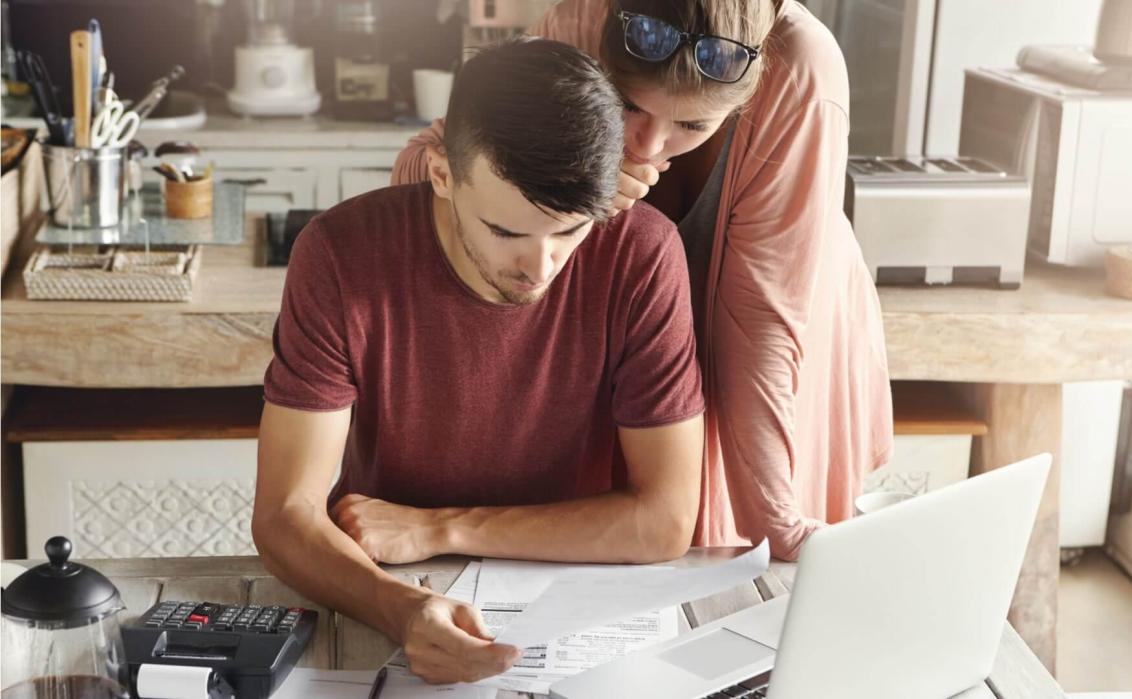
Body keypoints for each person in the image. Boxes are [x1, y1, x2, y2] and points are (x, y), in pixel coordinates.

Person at [253, 38, 705, 685]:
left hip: (579, 606)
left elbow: (664, 521)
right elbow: (284, 514)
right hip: (389, 584)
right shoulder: (339, 254)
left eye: (571, 230)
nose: (541, 267)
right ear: (441, 173)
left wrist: (441, 527)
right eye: (506, 231)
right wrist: (404, 610)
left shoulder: (644, 255)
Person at [393, 0, 894, 561]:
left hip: (780, 332)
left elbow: (761, 322)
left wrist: (778, 522)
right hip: (638, 351)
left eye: (693, 124)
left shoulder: (798, 67)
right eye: (628, 105)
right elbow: (426, 166)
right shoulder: (581, 24)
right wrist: (572, 180)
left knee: (749, 565)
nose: (649, 145)